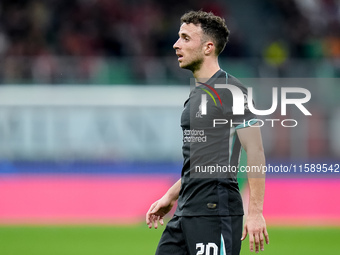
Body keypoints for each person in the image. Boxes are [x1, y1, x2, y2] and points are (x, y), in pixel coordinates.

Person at [146, 10, 269, 255]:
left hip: (216, 214)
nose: (176, 44)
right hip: (186, 211)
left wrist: (255, 212)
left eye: (185, 38)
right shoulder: (198, 94)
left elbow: (255, 150)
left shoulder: (231, 91)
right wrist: (171, 196)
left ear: (208, 47)